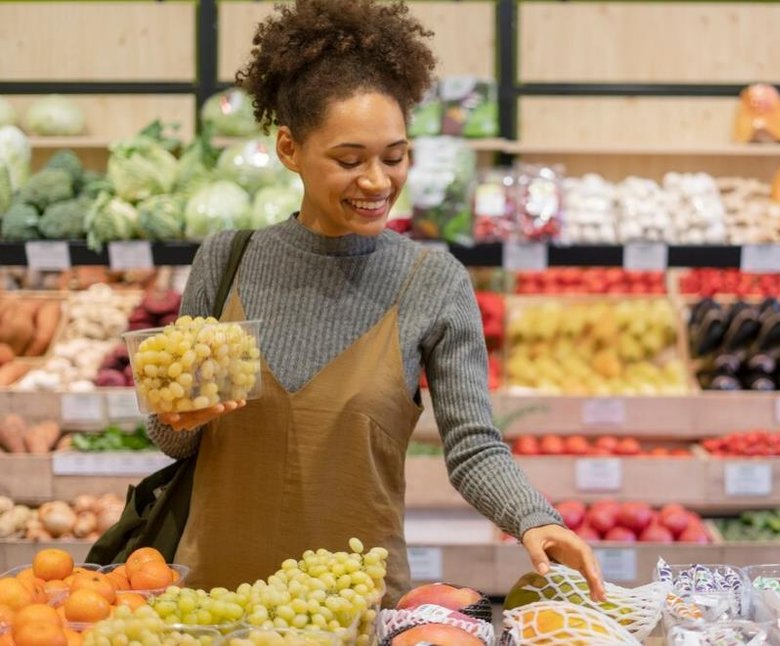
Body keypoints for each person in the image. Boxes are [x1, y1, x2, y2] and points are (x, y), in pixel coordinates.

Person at [147, 0, 604, 606]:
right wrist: (177, 420)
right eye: (349, 160)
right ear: (289, 149)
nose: (377, 182)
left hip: (355, 610)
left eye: (395, 156)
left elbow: (471, 442)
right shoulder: (226, 259)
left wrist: (532, 517)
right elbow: (173, 435)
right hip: (211, 605)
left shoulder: (433, 281)